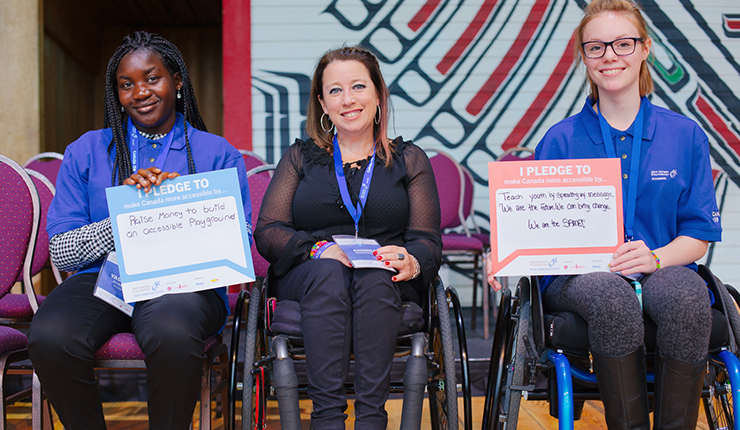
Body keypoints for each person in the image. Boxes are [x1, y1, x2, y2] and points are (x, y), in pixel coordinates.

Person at [488, 0, 723, 428]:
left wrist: (655, 258)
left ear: (645, 48)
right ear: (583, 56)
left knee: (688, 296)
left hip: (661, 267)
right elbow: (536, 225)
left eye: (622, 43)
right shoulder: (559, 140)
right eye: (596, 47)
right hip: (578, 278)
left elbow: (698, 233)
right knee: (612, 296)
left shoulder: (684, 135)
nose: (609, 55)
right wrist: (506, 250)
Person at [27, 31, 251, 430]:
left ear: (178, 81)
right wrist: (127, 218)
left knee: (171, 330)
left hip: (186, 284)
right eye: (126, 84)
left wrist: (169, 208)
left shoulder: (216, 153)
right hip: (104, 278)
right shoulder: (88, 150)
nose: (140, 92)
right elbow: (61, 251)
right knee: (51, 334)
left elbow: (241, 244)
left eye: (152, 78)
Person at [254, 45, 442, 429]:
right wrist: (320, 249)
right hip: (312, 272)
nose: (348, 99)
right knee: (330, 274)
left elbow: (428, 240)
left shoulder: (410, 159)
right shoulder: (300, 157)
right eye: (335, 90)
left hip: (385, 277)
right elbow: (268, 230)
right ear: (322, 103)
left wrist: (412, 259)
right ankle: (327, 420)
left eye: (358, 86)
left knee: (374, 275)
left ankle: (372, 418)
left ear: (378, 94)